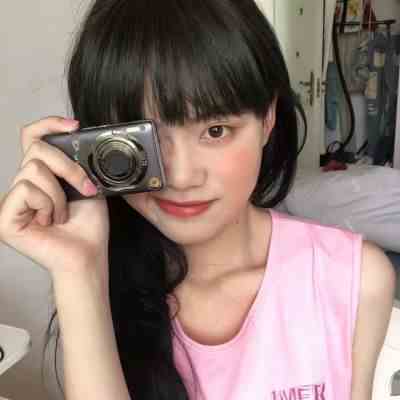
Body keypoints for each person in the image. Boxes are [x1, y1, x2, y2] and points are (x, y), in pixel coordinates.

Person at [0, 0, 396, 399]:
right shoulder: (106, 286)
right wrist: (79, 273)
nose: (182, 177)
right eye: (146, 138)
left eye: (216, 130)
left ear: (267, 120)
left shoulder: (355, 279)